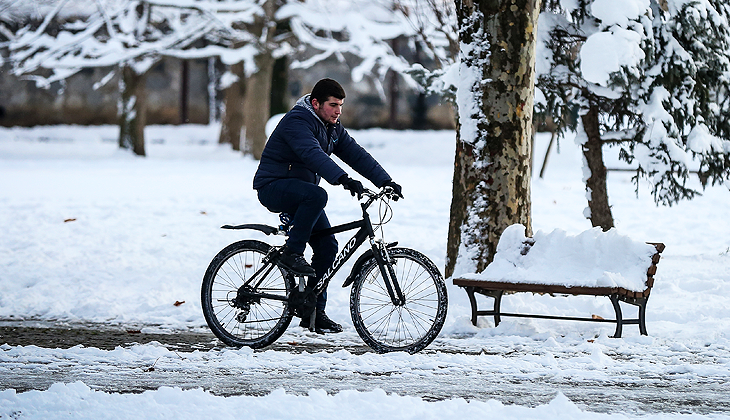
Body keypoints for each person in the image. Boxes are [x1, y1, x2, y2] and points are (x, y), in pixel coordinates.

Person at [253, 78, 402, 333]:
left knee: (328, 246)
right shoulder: (297, 122)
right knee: (318, 195)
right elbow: (312, 154)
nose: (338, 111)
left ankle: (312, 309)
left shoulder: (332, 127)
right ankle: (292, 253)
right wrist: (342, 179)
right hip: (274, 187)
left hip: (302, 194)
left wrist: (385, 180)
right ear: (316, 103)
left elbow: (356, 154)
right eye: (333, 105)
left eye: (341, 105)